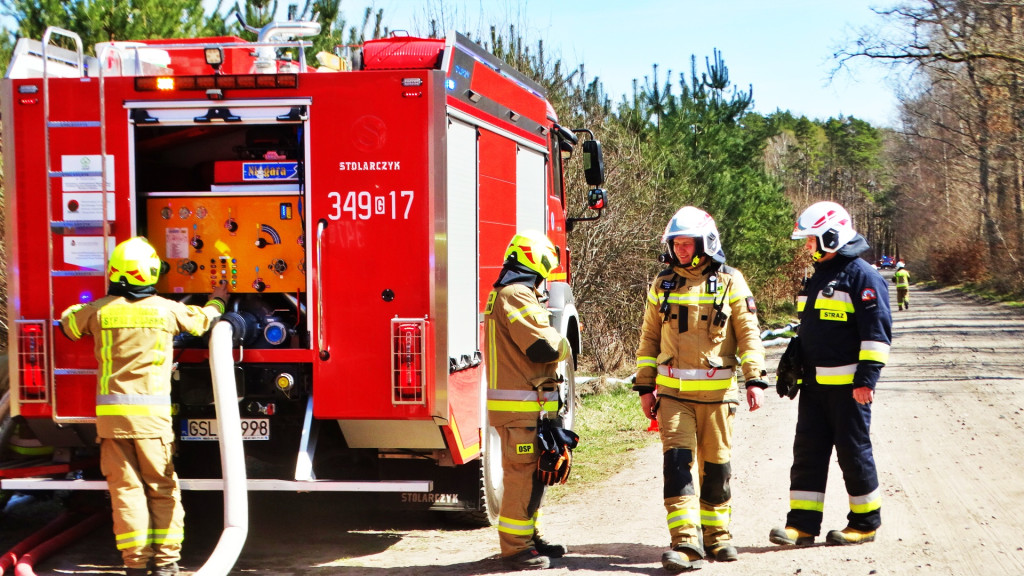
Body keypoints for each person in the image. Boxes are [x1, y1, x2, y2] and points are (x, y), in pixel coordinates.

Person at [59, 237, 229, 576]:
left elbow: (68, 324)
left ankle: (134, 565)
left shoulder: (100, 311)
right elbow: (201, 321)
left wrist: (81, 306)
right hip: (152, 424)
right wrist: (218, 302)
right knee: (162, 489)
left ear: (115, 272)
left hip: (112, 424)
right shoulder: (166, 310)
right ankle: (166, 564)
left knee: (126, 493)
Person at [634, 207, 768, 573]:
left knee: (717, 468)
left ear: (705, 243)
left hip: (719, 396)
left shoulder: (731, 281)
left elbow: (749, 333)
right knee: (677, 467)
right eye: (675, 243)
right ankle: (685, 542)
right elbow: (648, 338)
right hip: (673, 398)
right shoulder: (661, 283)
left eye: (686, 243)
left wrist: (754, 377)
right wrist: (645, 387)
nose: (679, 250)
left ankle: (718, 536)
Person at [769, 201, 892, 548]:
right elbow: (812, 329)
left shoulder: (863, 276)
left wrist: (866, 379)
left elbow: (877, 332)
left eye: (811, 240)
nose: (807, 247)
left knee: (853, 454)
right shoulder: (820, 275)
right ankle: (802, 526)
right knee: (807, 454)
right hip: (814, 387)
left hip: (849, 390)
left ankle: (865, 523)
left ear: (831, 236)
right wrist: (794, 361)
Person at [483, 230, 572, 571]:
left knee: (535, 475)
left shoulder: (510, 292)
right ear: (536, 259)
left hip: (527, 409)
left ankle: (528, 536)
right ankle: (516, 548)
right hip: (520, 410)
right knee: (521, 477)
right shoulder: (516, 294)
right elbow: (543, 347)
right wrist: (563, 343)